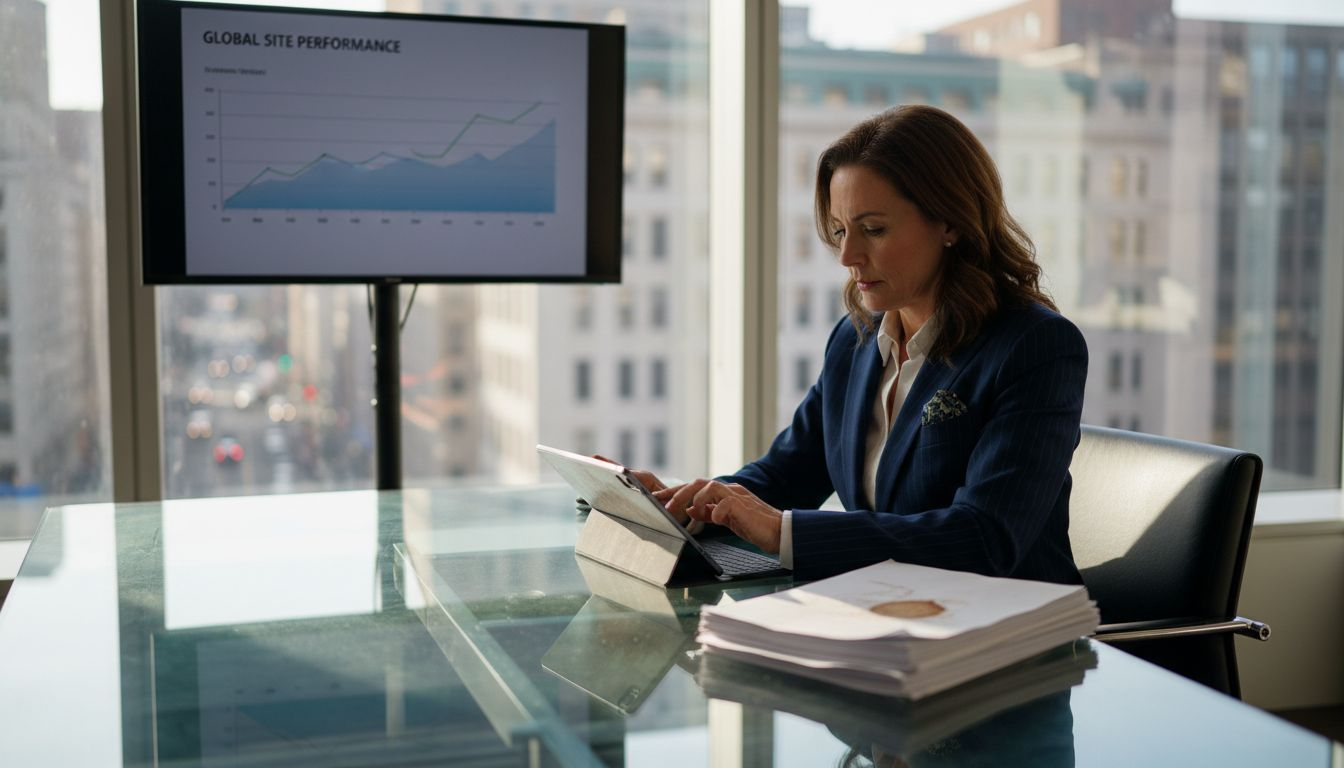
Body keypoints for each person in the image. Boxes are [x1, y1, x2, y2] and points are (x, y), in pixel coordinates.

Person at [631, 104, 1087, 584]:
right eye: (840, 230)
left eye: (873, 230)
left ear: (950, 223)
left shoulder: (1036, 347)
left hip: (1009, 621)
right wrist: (684, 505)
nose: (848, 255)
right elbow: (787, 475)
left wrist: (784, 532)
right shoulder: (856, 339)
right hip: (886, 607)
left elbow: (985, 538)